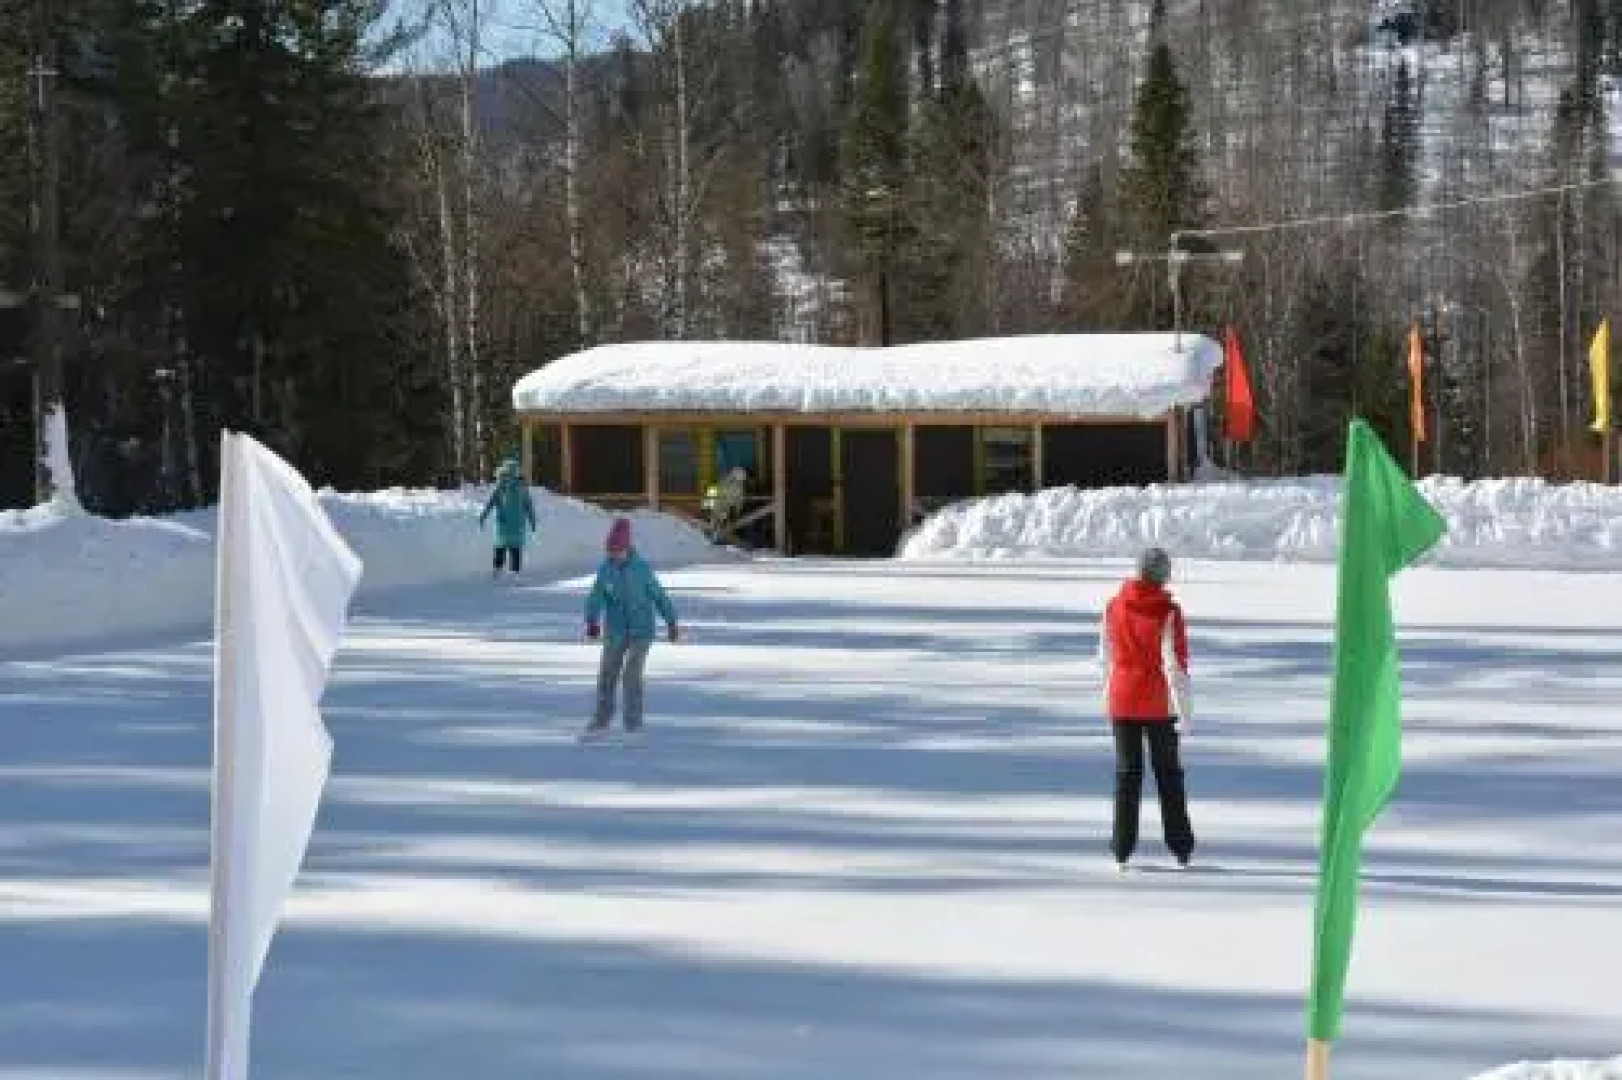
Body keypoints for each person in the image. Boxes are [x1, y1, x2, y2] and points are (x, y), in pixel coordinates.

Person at [1097, 546, 1196, 870]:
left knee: (1127, 776)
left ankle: (1121, 850)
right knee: (1168, 775)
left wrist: (1107, 697)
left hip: (1122, 701)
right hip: (1157, 705)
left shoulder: (1113, 607)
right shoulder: (1168, 613)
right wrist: (1185, 712)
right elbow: (1174, 667)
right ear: (1162, 576)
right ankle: (1180, 847)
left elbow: (1106, 659)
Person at [582, 517, 679, 739]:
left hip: (641, 631)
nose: (613, 555)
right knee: (607, 675)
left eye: (617, 550)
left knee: (631, 676)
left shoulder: (642, 570)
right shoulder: (605, 570)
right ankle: (601, 720)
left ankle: (633, 724)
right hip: (615, 630)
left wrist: (671, 622)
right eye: (610, 550)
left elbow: (659, 596)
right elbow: (595, 597)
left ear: (626, 548)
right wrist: (592, 620)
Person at [479, 457, 537, 579]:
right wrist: (533, 521)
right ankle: (515, 572)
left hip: (503, 525)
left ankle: (497, 570)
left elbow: (490, 503)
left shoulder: (500, 486)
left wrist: (483, 516)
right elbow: (528, 506)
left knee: (500, 548)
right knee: (515, 549)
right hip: (517, 525)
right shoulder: (522, 488)